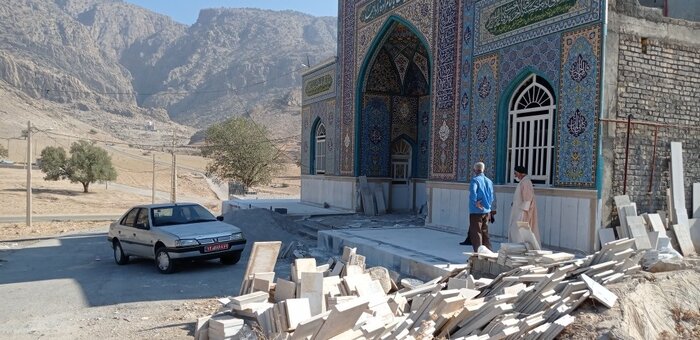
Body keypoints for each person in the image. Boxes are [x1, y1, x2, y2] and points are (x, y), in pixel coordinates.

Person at [460, 162, 495, 251]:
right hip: (486, 211)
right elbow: (491, 196)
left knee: (476, 233)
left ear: (474, 170)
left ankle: (479, 253)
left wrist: (476, 203)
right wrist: (488, 206)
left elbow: (473, 192)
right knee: (485, 233)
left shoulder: (475, 180)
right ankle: (488, 252)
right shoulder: (489, 181)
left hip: (476, 211)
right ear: (483, 170)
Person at [508, 165, 540, 243]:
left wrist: (523, 214)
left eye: (516, 173)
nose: (515, 175)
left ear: (520, 173)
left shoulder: (526, 182)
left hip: (522, 212)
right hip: (518, 210)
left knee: (518, 231)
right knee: (514, 230)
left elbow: (527, 199)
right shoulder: (523, 182)